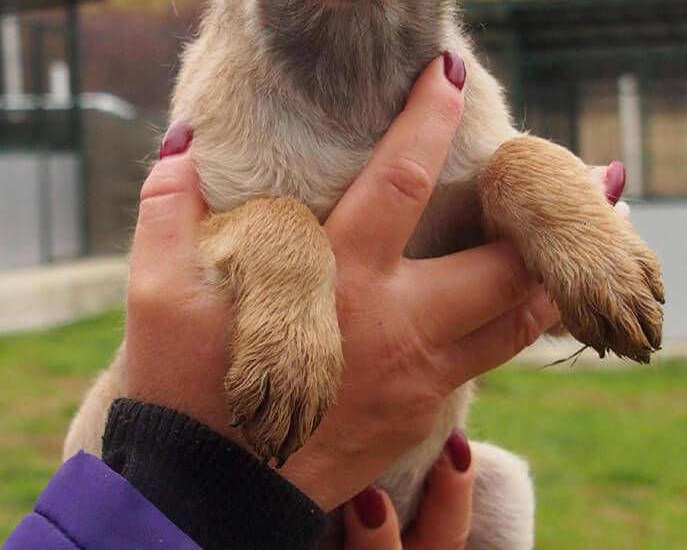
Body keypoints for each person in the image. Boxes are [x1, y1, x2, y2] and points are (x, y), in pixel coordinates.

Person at [5, 55, 574, 549]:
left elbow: (558, 311)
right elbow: (199, 243)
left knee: (501, 489)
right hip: (160, 482)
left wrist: (540, 195)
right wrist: (277, 250)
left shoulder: (465, 99)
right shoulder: (228, 81)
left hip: (412, 511)